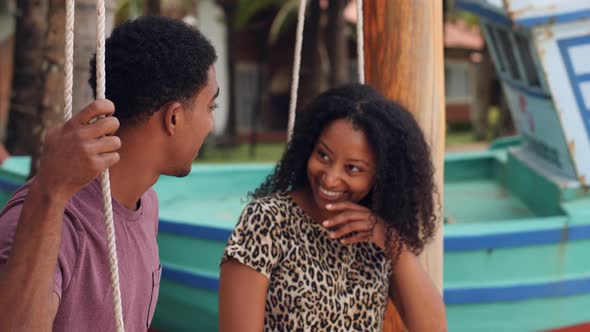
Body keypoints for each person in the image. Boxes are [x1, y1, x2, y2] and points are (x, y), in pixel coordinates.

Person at [0, 16, 218, 331]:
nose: (211, 123)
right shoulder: (44, 217)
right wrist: (50, 190)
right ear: (174, 118)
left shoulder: (147, 204)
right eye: (210, 107)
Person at [219, 84, 447, 331]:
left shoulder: (378, 240)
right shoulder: (267, 222)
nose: (330, 178)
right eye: (323, 156)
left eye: (353, 168)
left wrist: (388, 239)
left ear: (382, 177)